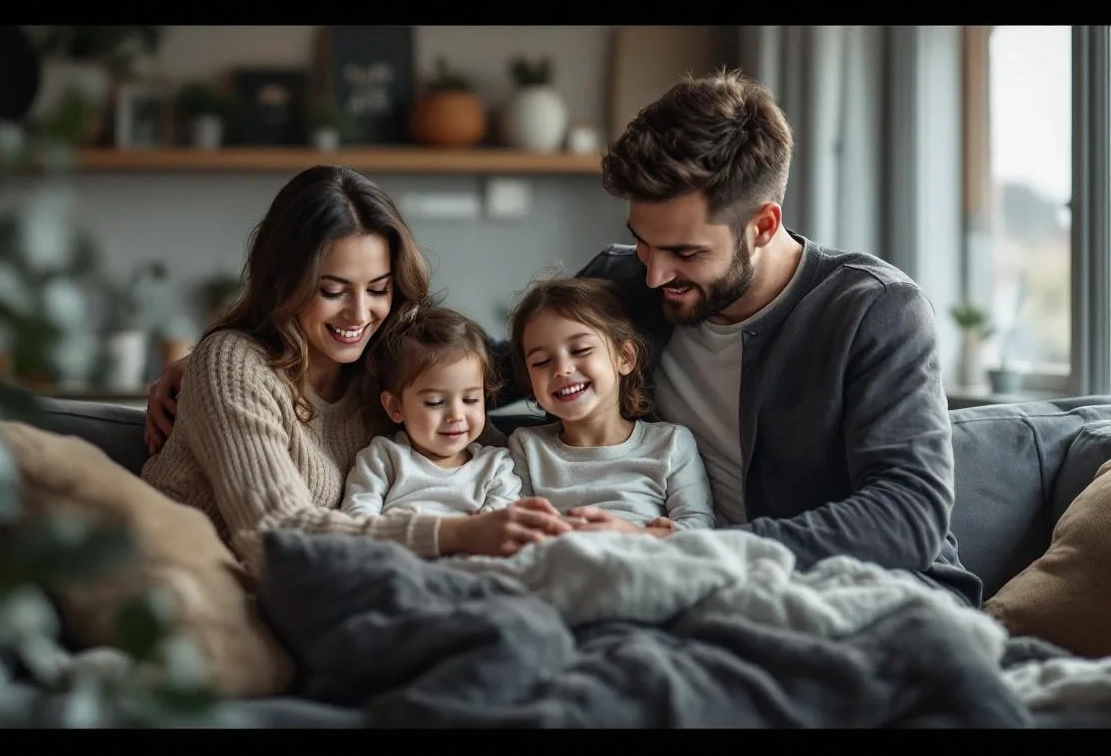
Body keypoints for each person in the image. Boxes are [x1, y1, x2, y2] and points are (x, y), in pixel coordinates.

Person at [145, 70, 984, 608]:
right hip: (648, 589)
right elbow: (459, 378)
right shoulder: (623, 284)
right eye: (642, 242)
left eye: (684, 253)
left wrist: (695, 550)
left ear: (763, 223)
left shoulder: (870, 312)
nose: (652, 277)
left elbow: (907, 516)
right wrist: (229, 357)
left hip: (816, 587)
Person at [138, 165, 571, 576]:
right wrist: (456, 533)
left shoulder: (389, 366)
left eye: (379, 289)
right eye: (332, 291)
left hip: (321, 595)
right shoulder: (234, 364)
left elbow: (484, 447)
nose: (359, 314)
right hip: (192, 589)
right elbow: (275, 534)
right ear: (284, 284)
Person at [505, 277, 716, 534]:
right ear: (529, 381)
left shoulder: (670, 443)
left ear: (625, 357)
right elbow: (515, 529)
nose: (561, 369)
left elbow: (698, 528)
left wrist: (636, 535)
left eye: (580, 350)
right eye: (541, 362)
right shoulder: (526, 447)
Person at [339, 306, 523, 518]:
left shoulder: (495, 466)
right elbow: (358, 518)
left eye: (470, 399)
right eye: (435, 402)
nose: (456, 415)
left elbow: (505, 524)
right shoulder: (384, 459)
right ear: (395, 407)